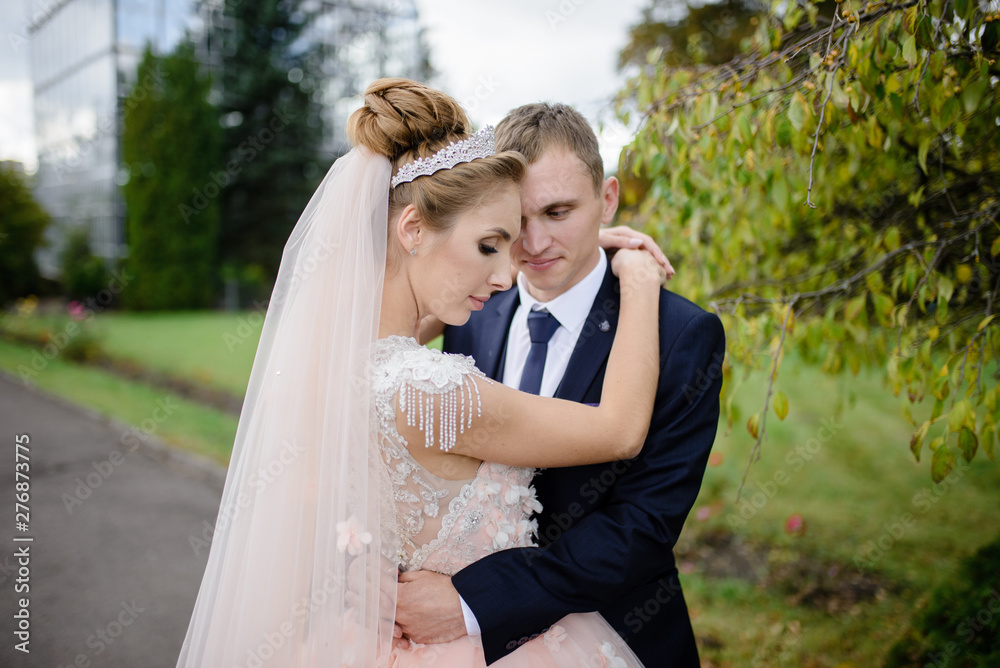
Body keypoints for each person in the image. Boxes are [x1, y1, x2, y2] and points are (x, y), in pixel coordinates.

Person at [175, 79, 668, 667]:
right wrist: (639, 282)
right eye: (491, 245)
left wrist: (365, 559)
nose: (507, 274)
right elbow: (618, 430)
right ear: (412, 229)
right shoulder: (434, 391)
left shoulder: (338, 361)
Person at [393, 103, 726, 666]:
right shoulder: (472, 311)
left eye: (559, 211)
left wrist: (475, 602)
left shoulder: (681, 334)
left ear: (609, 198)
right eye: (518, 221)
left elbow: (642, 527)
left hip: (616, 635)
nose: (535, 242)